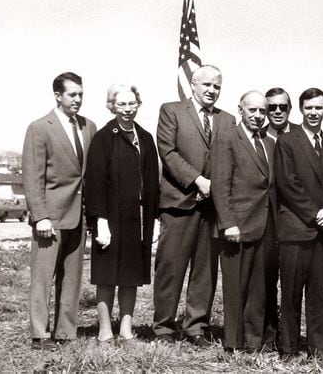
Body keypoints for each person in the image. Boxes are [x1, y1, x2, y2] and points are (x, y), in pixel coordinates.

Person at [152, 65, 236, 345]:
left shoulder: (228, 120)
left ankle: (196, 326)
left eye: (217, 86)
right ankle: (164, 326)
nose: (212, 90)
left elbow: (230, 158)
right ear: (193, 84)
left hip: (212, 209)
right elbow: (168, 152)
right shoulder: (171, 111)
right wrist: (198, 181)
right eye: (207, 85)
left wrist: (216, 188)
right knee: (171, 267)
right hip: (179, 204)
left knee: (205, 270)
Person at [22, 72, 97, 350]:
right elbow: (32, 176)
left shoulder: (89, 126)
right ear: (58, 96)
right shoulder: (40, 127)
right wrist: (40, 216)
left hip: (79, 216)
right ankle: (39, 335)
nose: (77, 99)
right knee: (42, 279)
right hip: (49, 219)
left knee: (72, 279)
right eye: (72, 94)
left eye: (80, 94)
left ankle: (65, 333)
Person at [274, 87, 323, 362]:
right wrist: (315, 213)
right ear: (300, 110)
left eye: (319, 108)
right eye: (309, 108)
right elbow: (287, 183)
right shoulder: (287, 142)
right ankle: (289, 348)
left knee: (318, 294)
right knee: (291, 293)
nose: (314, 113)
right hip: (296, 230)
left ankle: (318, 348)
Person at [84, 83, 158, 342]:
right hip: (110, 217)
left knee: (130, 275)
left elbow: (152, 183)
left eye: (131, 103)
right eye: (121, 104)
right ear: (112, 106)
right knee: (106, 275)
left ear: (138, 104)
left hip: (136, 219)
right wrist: (99, 220)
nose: (127, 109)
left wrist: (153, 219)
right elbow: (94, 182)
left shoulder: (146, 138)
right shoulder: (104, 138)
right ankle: (105, 329)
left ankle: (126, 327)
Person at [210, 91, 277, 353]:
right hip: (237, 227)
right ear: (241, 110)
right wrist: (228, 223)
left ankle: (253, 340)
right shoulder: (227, 139)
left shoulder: (269, 142)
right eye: (253, 111)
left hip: (264, 227)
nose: (258, 116)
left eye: (262, 111)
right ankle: (233, 342)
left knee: (258, 288)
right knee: (235, 288)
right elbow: (220, 185)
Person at [260, 86, 300, 349]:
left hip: (294, 221)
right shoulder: (257, 135)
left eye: (281, 107)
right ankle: (267, 334)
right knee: (265, 279)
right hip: (264, 221)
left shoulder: (300, 135)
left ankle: (290, 337)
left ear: (289, 109)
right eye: (271, 107)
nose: (276, 111)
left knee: (292, 282)